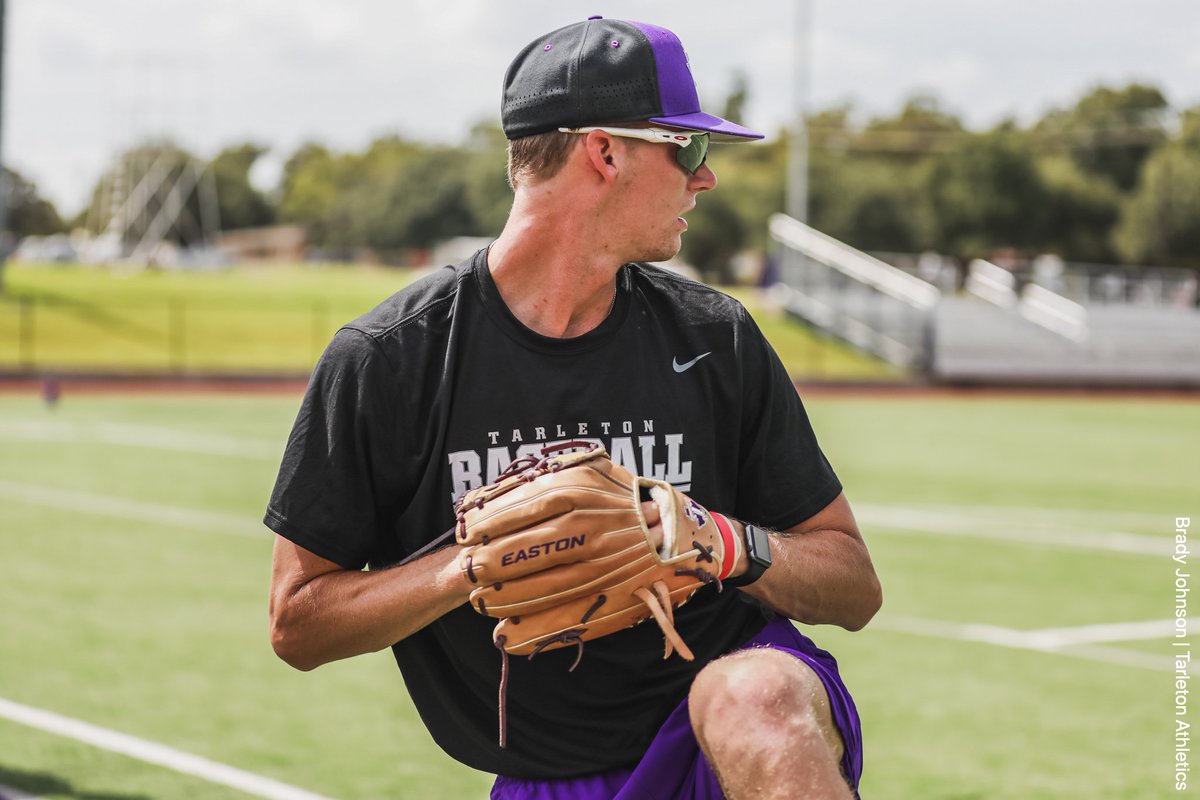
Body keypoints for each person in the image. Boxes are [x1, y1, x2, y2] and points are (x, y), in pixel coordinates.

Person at [266, 16, 881, 800]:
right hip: (546, 774)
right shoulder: (389, 358)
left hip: (718, 741)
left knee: (753, 699)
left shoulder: (715, 336)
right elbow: (298, 622)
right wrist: (474, 565)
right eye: (687, 148)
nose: (705, 177)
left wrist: (718, 541)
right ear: (605, 150)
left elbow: (854, 586)